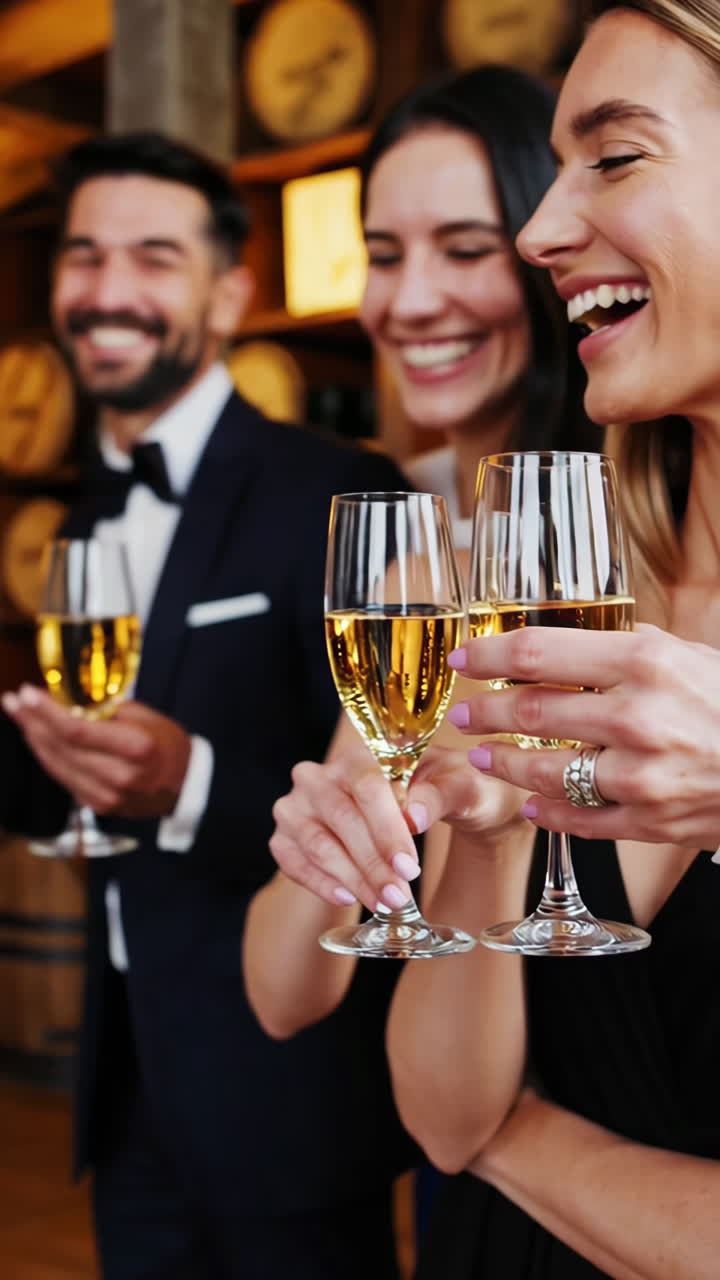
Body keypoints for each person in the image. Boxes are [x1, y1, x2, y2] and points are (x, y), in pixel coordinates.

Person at [254, 3, 720, 1277]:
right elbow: (434, 1104)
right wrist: (457, 835)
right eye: (382, 252)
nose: (538, 232)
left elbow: (475, 1128)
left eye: (613, 156)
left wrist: (518, 1136)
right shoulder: (524, 596)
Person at [0, 131, 416, 1280]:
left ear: (230, 293)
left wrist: (185, 782)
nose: (108, 289)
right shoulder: (83, 518)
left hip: (286, 1098)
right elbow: (60, 782)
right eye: (84, 255)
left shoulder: (339, 489)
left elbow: (396, 805)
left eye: (153, 256)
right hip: (124, 1089)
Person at [242, 61, 596, 1250]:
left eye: (464, 247)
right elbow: (283, 991)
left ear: (552, 247)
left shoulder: (629, 551)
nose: (411, 299)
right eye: (383, 254)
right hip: (470, 1150)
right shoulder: (416, 576)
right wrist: (329, 839)